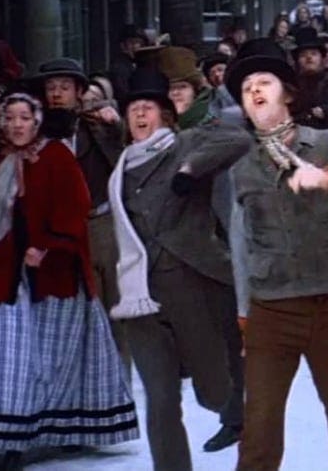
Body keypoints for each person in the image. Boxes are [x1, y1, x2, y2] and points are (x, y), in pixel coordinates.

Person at [226, 38, 328, 471]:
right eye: (246, 88)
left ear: (287, 93)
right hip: (271, 309)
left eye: (264, 82)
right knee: (259, 425)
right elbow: (239, 240)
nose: (254, 90)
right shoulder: (238, 161)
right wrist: (244, 312)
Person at [0, 94, 140, 469]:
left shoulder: (56, 157)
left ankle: (48, 432)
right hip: (8, 276)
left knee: (53, 361)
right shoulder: (3, 164)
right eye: (10, 118)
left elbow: (75, 206)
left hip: (54, 276)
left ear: (37, 121)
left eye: (24, 118)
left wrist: (49, 246)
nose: (16, 125)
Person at [107, 68, 251, 471]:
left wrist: (191, 168)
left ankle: (230, 405)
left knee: (215, 391)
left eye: (148, 108)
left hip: (194, 283)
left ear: (166, 116)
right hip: (140, 295)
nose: (140, 114)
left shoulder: (185, 143)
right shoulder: (120, 166)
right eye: (133, 109)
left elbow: (238, 140)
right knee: (161, 398)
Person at [30, 58, 132, 380]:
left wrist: (113, 122)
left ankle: (120, 380)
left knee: (115, 308)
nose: (57, 94)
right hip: (59, 233)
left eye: (64, 87)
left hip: (100, 224)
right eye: (51, 88)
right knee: (76, 309)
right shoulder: (36, 133)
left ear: (78, 92)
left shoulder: (96, 125)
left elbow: (122, 147)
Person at [110, 25, 147, 101]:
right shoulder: (119, 67)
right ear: (123, 46)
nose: (136, 46)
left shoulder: (144, 63)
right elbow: (123, 93)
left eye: (140, 43)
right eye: (132, 43)